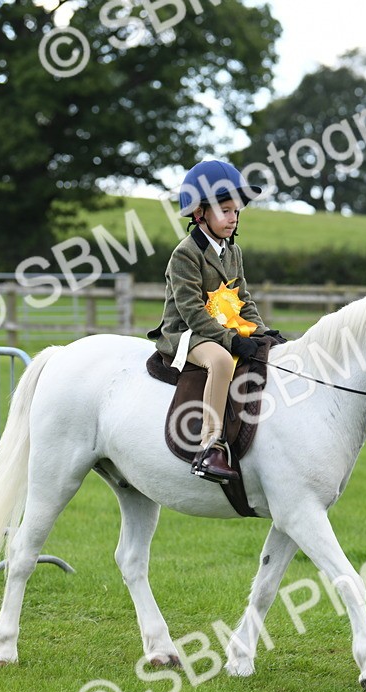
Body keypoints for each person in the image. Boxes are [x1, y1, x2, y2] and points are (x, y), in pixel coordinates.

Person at [149, 159, 284, 484]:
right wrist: (231, 340)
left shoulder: (233, 252)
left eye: (235, 211)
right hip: (186, 334)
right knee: (222, 361)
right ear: (200, 214)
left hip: (220, 329)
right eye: (225, 210)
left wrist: (263, 332)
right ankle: (210, 447)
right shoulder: (185, 254)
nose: (233, 217)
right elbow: (193, 311)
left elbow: (243, 300)